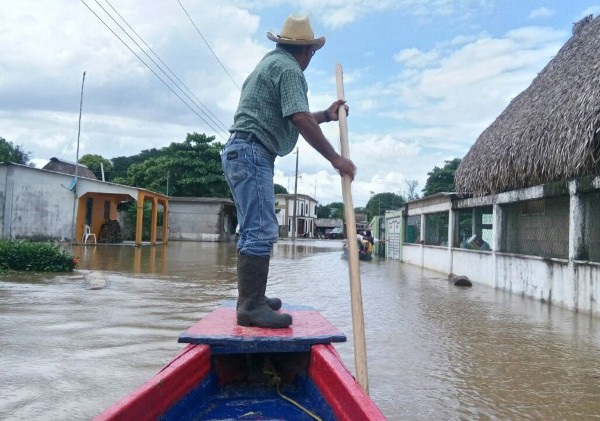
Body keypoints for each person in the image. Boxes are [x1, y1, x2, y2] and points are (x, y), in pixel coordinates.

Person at [221, 15, 356, 329]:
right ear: (307, 51)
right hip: (253, 152)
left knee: (252, 227)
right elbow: (298, 118)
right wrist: (336, 159)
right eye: (312, 53)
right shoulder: (290, 70)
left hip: (241, 151)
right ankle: (251, 305)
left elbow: (294, 114)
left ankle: (252, 299)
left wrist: (325, 114)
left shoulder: (271, 63)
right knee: (260, 229)